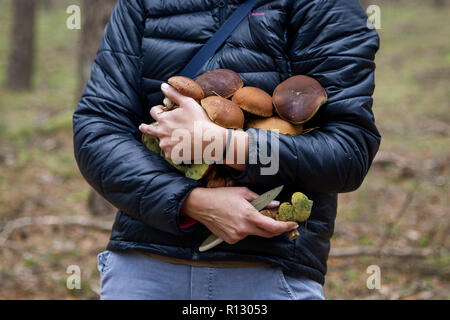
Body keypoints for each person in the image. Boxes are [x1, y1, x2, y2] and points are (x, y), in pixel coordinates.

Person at [73, 0, 380, 300]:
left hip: (268, 275)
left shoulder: (324, 6)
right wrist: (190, 202)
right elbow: (97, 130)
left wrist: (226, 146)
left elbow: (348, 151)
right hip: (143, 270)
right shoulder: (143, 4)